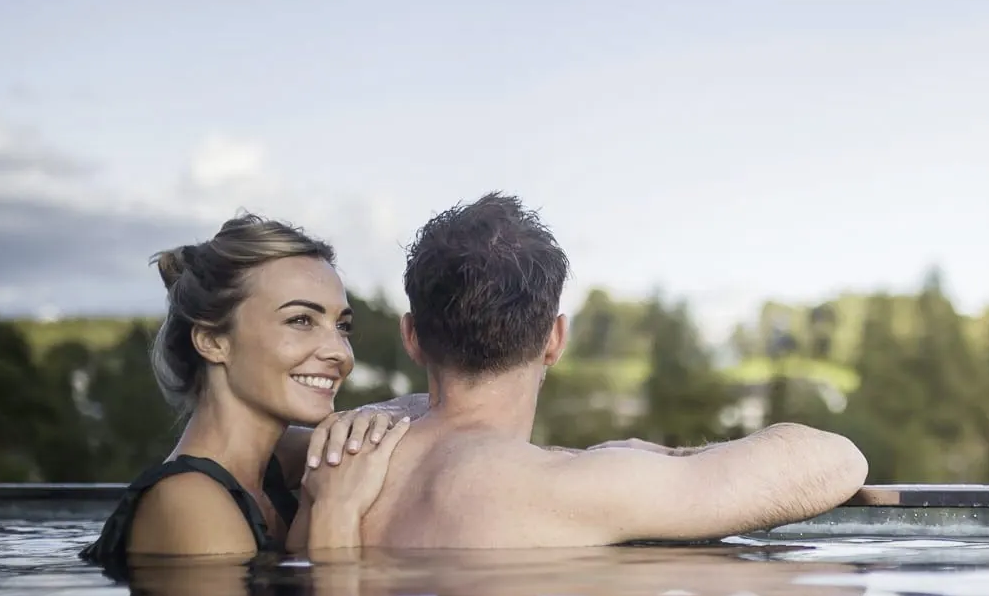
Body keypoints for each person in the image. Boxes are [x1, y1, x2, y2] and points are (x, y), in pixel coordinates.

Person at [305, 193, 867, 548]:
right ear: (555, 339)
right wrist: (661, 456)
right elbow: (836, 461)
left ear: (411, 337)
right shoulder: (567, 489)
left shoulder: (340, 459)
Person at [83, 214, 412, 570]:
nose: (340, 353)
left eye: (342, 326)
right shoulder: (190, 503)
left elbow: (429, 423)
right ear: (213, 341)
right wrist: (336, 510)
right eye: (301, 320)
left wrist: (379, 415)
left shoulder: (272, 461)